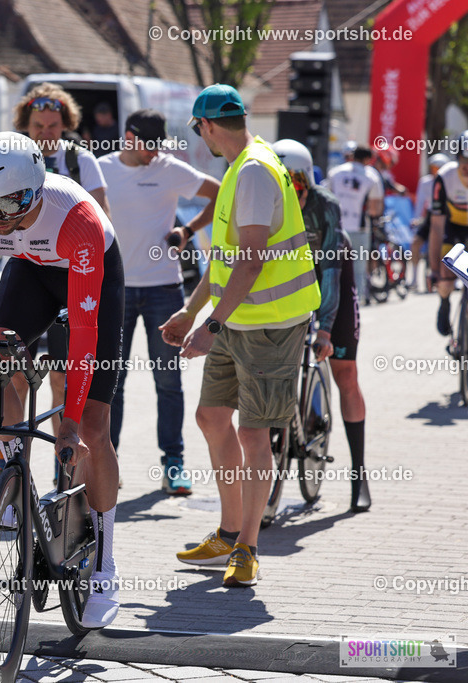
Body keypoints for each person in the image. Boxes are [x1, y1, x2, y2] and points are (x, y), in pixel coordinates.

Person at [0, 131, 125, 628]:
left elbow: (83, 332)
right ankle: (15, 482)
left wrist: (72, 421)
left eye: (13, 203)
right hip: (32, 271)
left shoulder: (75, 219)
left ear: (36, 189)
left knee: (95, 431)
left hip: (90, 272)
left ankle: (104, 562)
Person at [160, 85, 321, 587]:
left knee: (254, 434)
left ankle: (248, 548)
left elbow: (251, 258)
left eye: (198, 129)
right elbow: (226, 259)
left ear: (205, 126)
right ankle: (228, 533)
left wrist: (209, 326)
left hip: (270, 325)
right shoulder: (240, 167)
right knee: (211, 417)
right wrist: (191, 311)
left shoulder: (252, 170)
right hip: (237, 319)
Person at [99, 109, 220, 496]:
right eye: (148, 146)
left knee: (168, 382)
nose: (153, 154)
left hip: (163, 291)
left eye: (158, 146)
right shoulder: (100, 170)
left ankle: (173, 464)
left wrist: (188, 229)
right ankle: (106, 461)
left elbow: (221, 194)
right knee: (109, 382)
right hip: (114, 289)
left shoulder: (171, 169)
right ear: (129, 137)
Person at [0, 83, 109, 500]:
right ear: (24, 128)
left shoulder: (81, 160)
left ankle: (65, 466)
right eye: (38, 126)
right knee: (15, 376)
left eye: (53, 125)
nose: (46, 133)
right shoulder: (13, 162)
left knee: (63, 379)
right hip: (29, 272)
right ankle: (11, 470)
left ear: (67, 126)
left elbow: (101, 217)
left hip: (73, 275)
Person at [272, 139, 371, 512]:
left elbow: (329, 274)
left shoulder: (324, 204)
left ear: (305, 182)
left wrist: (325, 330)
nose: (289, 191)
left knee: (345, 372)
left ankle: (358, 474)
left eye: (295, 184)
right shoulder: (267, 203)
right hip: (292, 278)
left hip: (332, 273)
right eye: (282, 183)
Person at [325, 145, 384, 304]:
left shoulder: (335, 172)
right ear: (367, 159)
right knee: (358, 267)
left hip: (336, 226)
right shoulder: (371, 175)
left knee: (333, 265)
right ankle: (355, 303)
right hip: (359, 227)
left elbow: (326, 197)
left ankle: (331, 301)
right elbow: (374, 208)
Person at [429, 132, 468, 338]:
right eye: (464, 161)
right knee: (445, 281)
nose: (467, 167)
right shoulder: (444, 177)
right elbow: (436, 226)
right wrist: (434, 270)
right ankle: (444, 302)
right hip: (452, 228)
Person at [409, 153, 450, 291]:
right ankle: (414, 278)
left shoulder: (448, 181)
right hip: (431, 215)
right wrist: (415, 219)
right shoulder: (425, 182)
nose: (435, 171)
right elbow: (420, 201)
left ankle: (450, 277)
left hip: (446, 216)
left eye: (438, 168)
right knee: (415, 243)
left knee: (447, 246)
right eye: (433, 168)